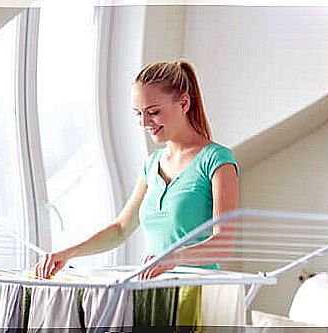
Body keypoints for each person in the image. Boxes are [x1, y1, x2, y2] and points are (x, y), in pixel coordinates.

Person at [34, 59, 239, 280]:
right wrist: (68, 253)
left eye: (153, 111)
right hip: (154, 292)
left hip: (199, 293)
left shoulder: (217, 160)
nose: (144, 122)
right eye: (138, 113)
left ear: (184, 103)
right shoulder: (152, 165)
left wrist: (170, 258)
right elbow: (121, 229)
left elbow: (223, 245)